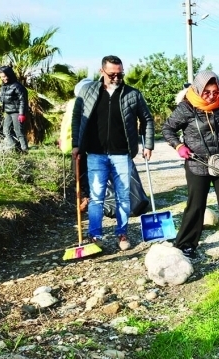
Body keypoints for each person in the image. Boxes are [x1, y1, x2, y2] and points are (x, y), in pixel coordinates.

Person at [161, 70, 219, 260]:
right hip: (197, 162)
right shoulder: (186, 108)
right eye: (207, 92)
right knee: (196, 205)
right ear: (197, 89)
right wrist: (178, 146)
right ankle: (186, 244)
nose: (211, 96)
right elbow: (167, 128)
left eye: (215, 91)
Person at [71, 55, 155, 252]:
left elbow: (147, 119)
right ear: (102, 72)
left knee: (123, 197)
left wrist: (148, 144)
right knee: (96, 196)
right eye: (112, 75)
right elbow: (77, 117)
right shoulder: (87, 91)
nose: (117, 78)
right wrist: (76, 144)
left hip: (122, 154)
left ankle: (122, 233)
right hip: (95, 153)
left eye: (120, 74)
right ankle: (95, 235)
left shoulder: (133, 94)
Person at [60, 78, 93, 211]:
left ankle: (89, 198)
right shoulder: (74, 103)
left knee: (87, 171)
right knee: (79, 171)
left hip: (92, 144)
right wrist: (64, 140)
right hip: (78, 143)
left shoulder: (96, 102)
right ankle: (85, 198)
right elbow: (68, 124)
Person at [0, 66, 29, 153]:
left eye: (4, 76)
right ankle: (13, 146)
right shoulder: (4, 86)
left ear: (9, 75)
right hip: (8, 112)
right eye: (1, 77)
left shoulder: (18, 87)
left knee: (19, 132)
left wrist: (22, 114)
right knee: (5, 131)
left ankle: (25, 150)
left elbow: (23, 101)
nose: (3, 79)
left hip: (17, 112)